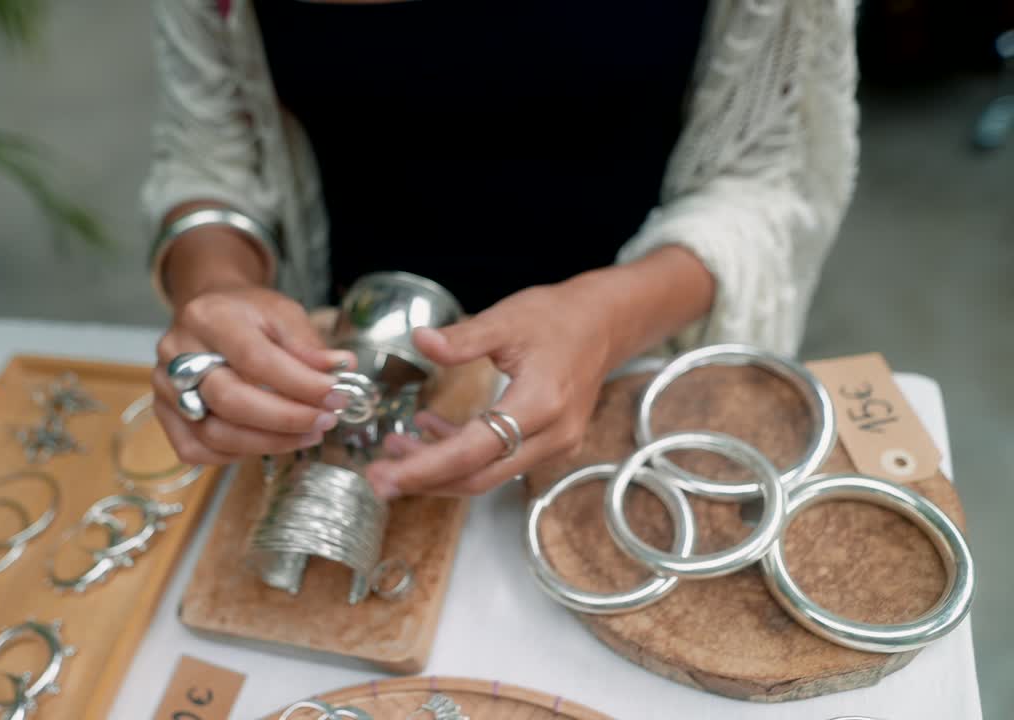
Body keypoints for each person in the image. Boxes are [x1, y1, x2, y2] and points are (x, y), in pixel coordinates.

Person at [144, 0, 859, 499]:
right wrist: (216, 284)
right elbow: (213, 145)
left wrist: (608, 320)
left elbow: (774, 175)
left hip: (637, 357)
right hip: (353, 345)